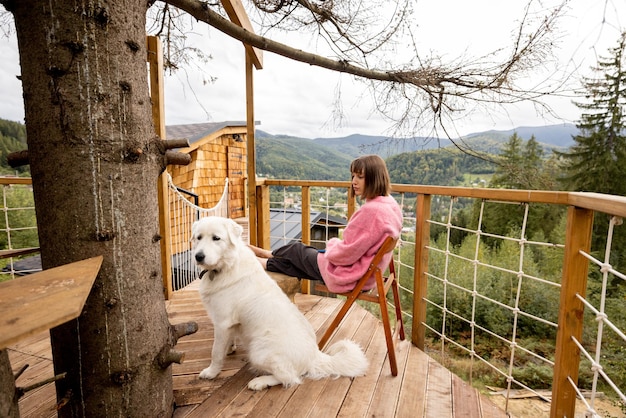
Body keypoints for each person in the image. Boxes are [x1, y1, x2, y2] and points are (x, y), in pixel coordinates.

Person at [250, 154, 402, 293]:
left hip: (350, 275)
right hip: (365, 275)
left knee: (298, 250)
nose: (354, 182)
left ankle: (267, 256)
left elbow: (346, 254)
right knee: (302, 258)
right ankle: (265, 260)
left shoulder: (371, 211)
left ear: (375, 178)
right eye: (353, 176)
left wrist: (331, 246)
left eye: (360, 177)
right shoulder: (390, 205)